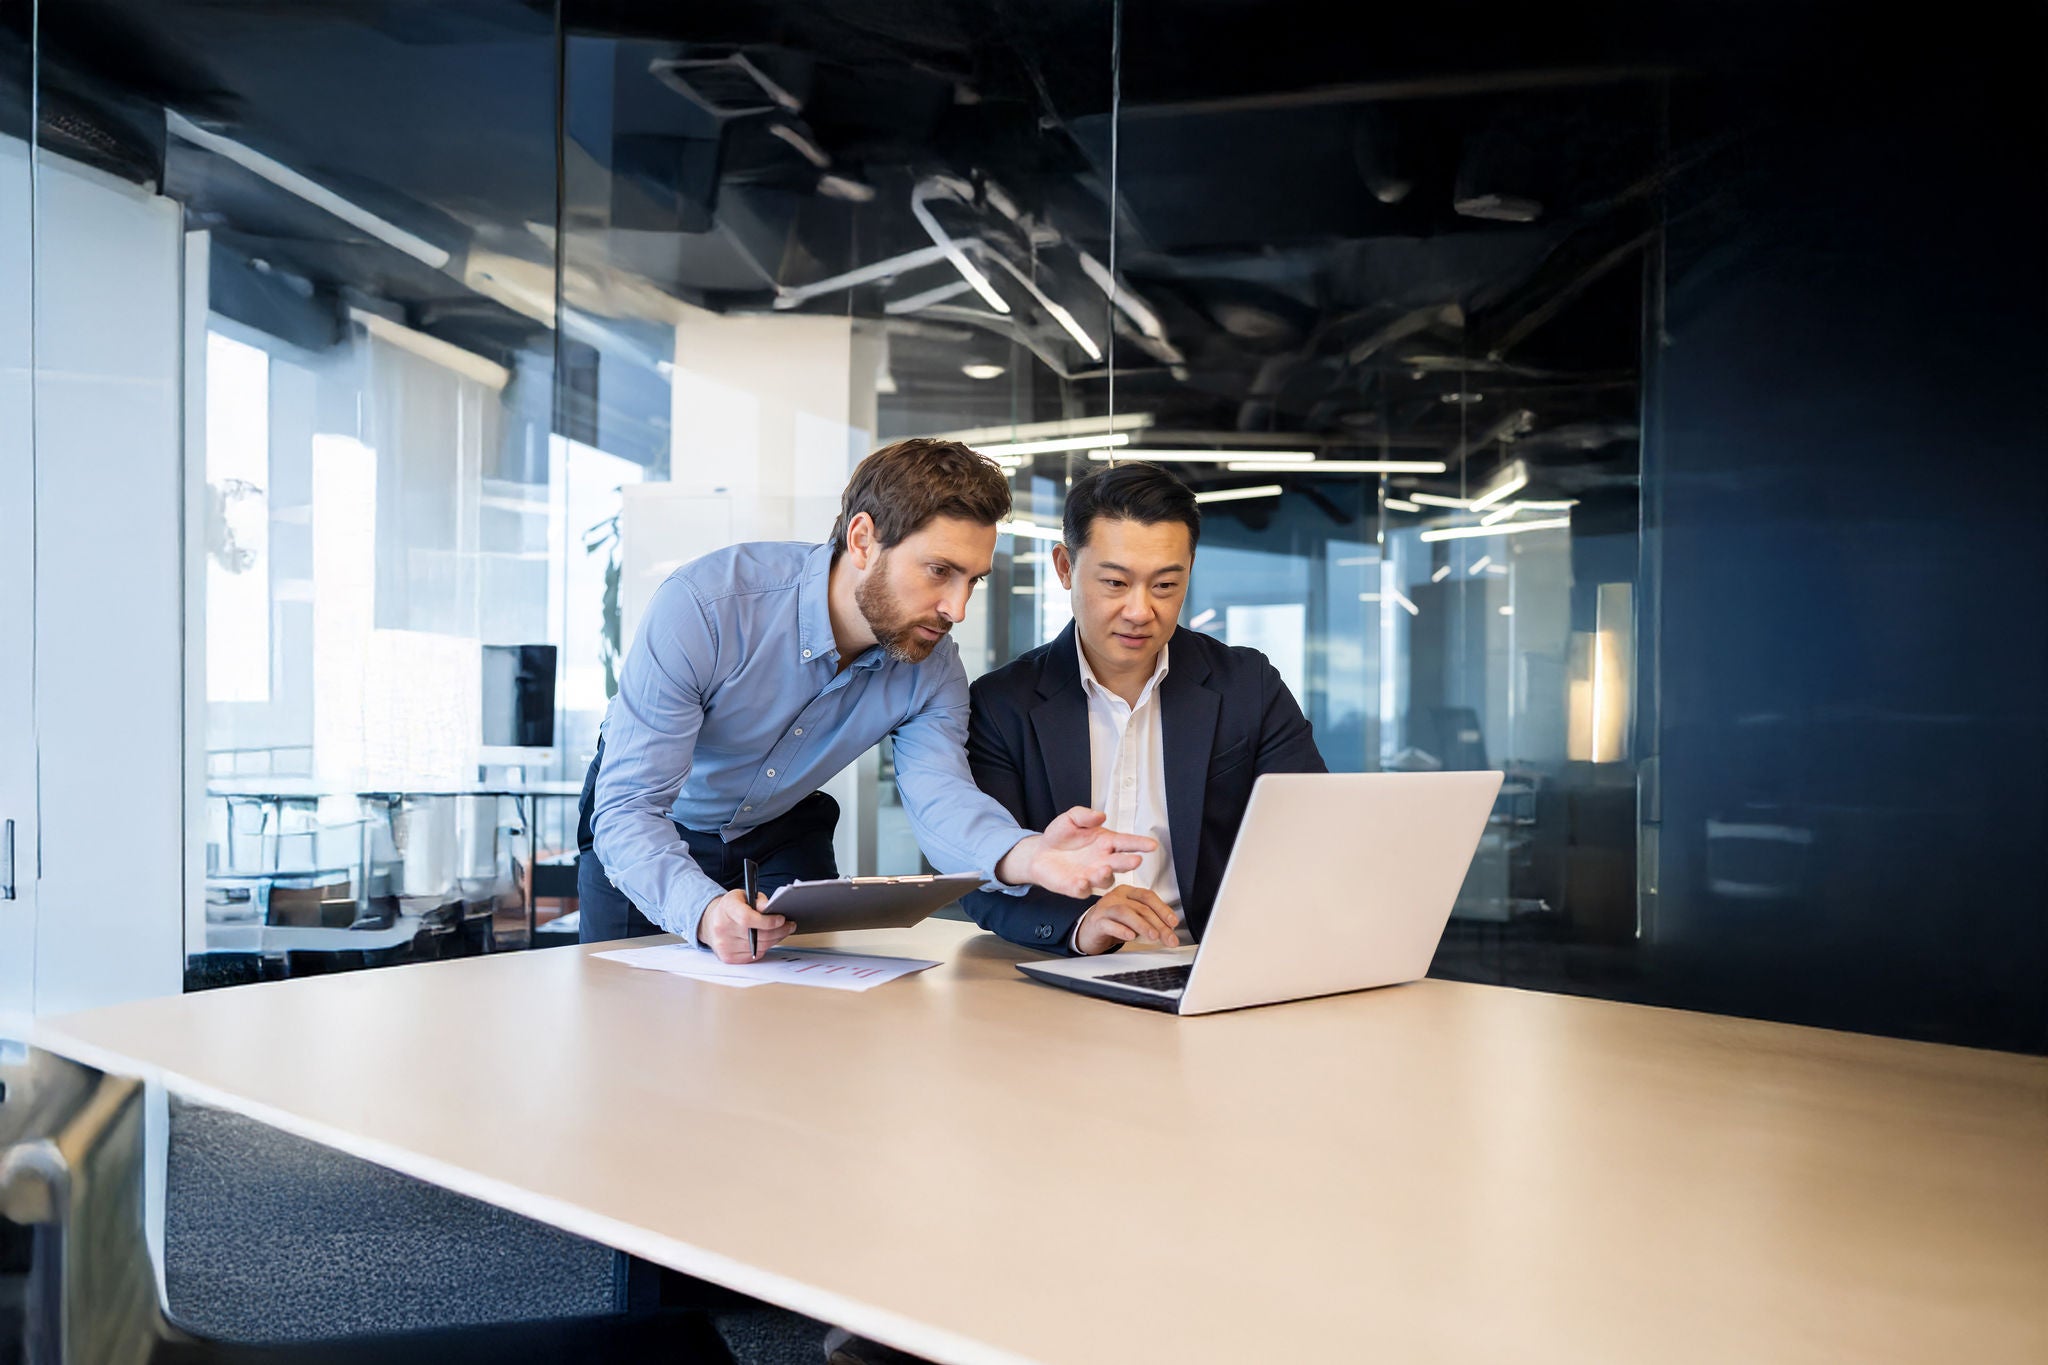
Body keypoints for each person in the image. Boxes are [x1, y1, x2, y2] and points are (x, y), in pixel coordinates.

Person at [575, 437, 1158, 958]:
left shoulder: (932, 665)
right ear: (862, 539)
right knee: (629, 1014)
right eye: (939, 571)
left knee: (808, 1021)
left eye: (972, 580)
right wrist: (701, 912)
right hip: (651, 825)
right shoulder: (707, 608)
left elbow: (942, 798)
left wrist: (1032, 856)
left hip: (779, 829)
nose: (957, 609)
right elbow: (628, 808)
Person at [960, 461, 1327, 955]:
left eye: (1165, 586)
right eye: (1114, 583)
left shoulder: (1247, 685)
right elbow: (980, 880)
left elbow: (1311, 831)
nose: (1139, 611)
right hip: (1065, 966)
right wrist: (1082, 924)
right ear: (1065, 568)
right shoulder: (1001, 704)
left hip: (1210, 961)